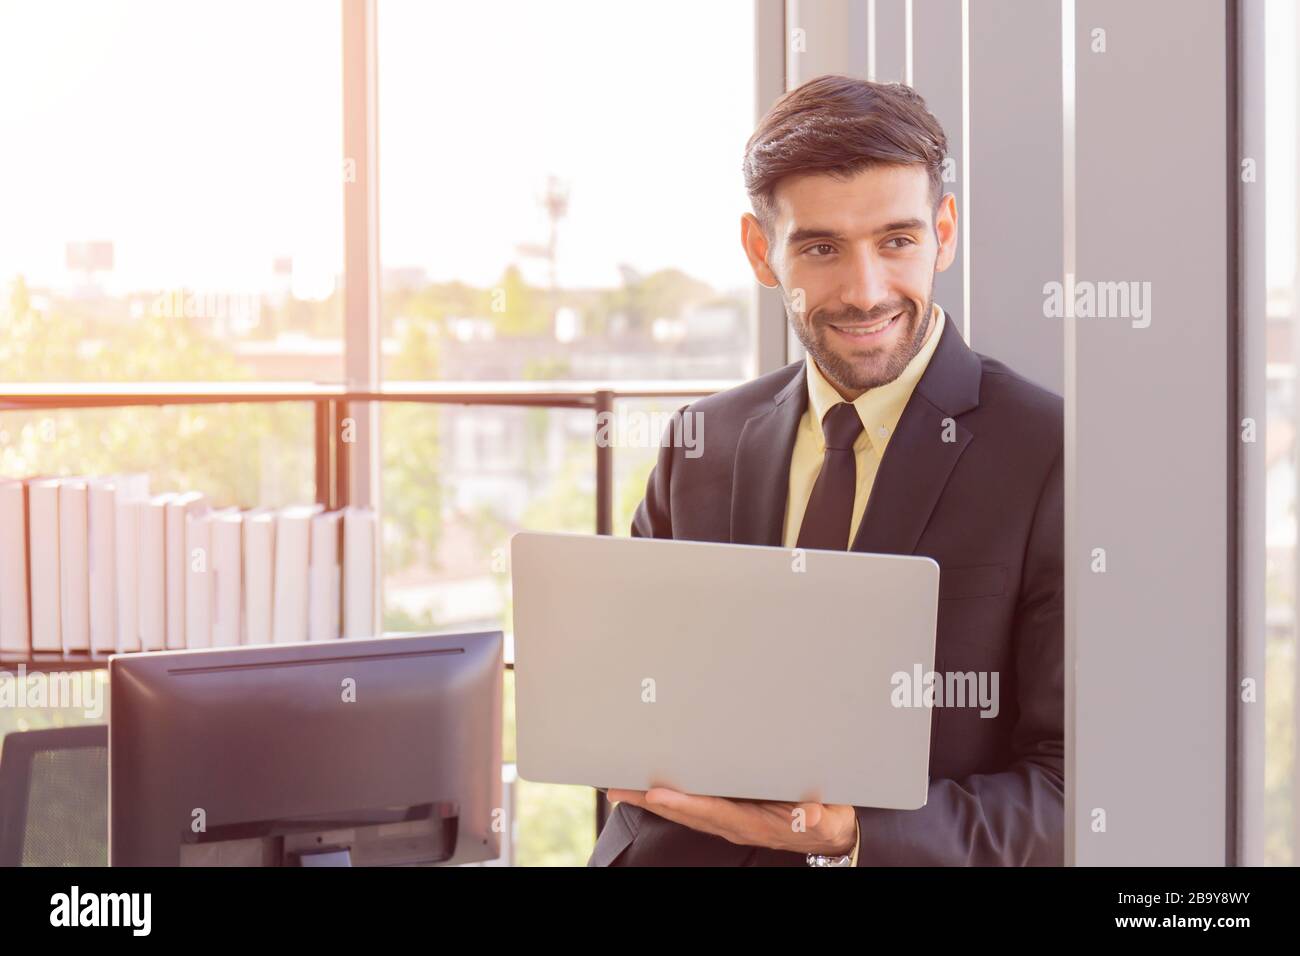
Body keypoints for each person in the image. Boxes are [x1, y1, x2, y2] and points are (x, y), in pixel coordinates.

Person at [588, 74, 1063, 867]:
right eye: (820, 247)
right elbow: (637, 714)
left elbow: (1068, 789)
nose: (865, 290)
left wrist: (854, 836)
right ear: (759, 251)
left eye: (897, 241)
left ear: (944, 231)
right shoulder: (702, 439)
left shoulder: (1046, 453)